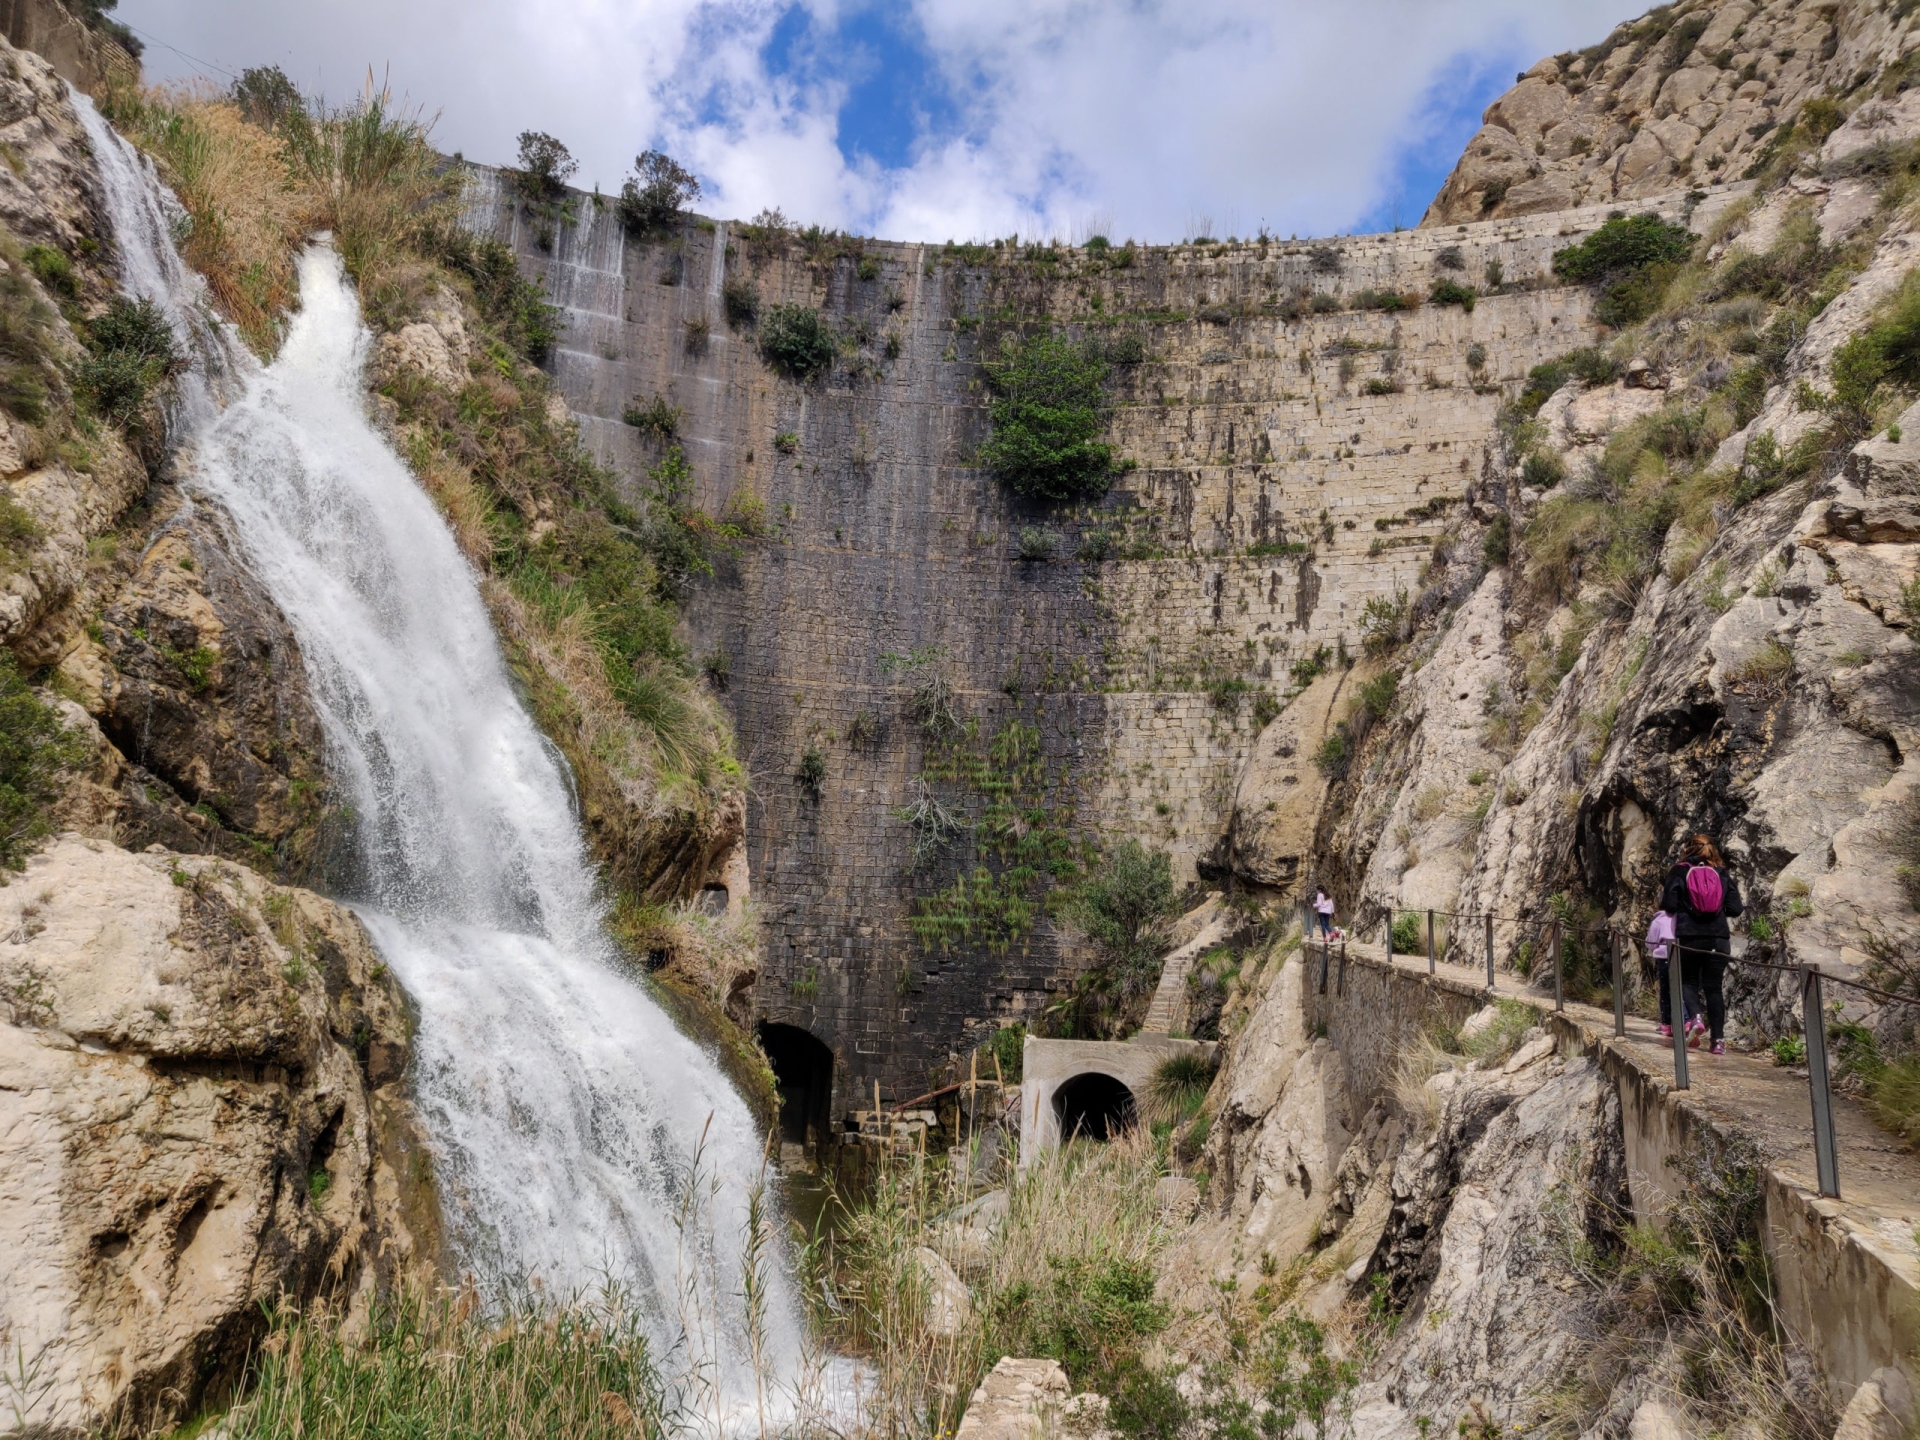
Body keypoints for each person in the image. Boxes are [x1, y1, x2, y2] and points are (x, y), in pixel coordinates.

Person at [1659, 834, 1743, 1055]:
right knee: (1714, 989)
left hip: (1689, 937)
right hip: (1718, 938)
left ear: (1687, 849)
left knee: (1687, 981)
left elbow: (1668, 905)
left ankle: (1695, 1017)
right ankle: (1718, 1042)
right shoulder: (1721, 872)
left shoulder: (1679, 871)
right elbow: (1735, 908)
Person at [1644, 906, 1693, 1038]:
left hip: (1665, 959)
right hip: (1684, 957)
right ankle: (1688, 1020)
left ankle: (1670, 1024)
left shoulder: (1658, 921)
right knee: (1684, 989)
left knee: (1666, 992)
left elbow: (1650, 943)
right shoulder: (1684, 916)